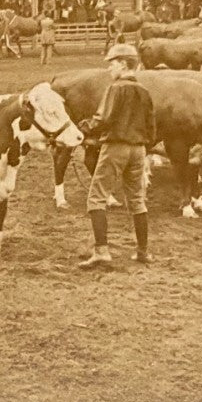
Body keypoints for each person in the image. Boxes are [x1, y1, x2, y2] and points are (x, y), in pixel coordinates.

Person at [78, 43, 156, 269]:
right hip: (138, 150)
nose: (110, 69)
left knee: (96, 198)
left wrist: (84, 129)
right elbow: (151, 126)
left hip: (116, 147)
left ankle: (101, 251)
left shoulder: (116, 88)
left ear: (123, 63)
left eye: (112, 64)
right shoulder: (145, 91)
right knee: (137, 200)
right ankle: (142, 251)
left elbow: (104, 119)